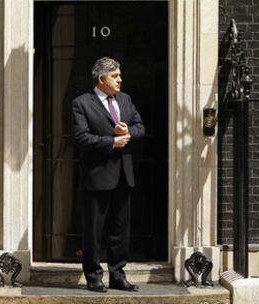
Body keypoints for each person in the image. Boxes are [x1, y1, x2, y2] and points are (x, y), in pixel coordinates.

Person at [72, 57, 145, 292]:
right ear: (102, 79)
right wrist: (112, 142)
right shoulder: (81, 103)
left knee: (119, 230)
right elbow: (81, 138)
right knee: (94, 232)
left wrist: (128, 132)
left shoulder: (125, 99)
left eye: (119, 75)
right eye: (115, 76)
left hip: (124, 175)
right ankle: (93, 276)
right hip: (96, 177)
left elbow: (140, 127)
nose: (120, 79)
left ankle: (118, 275)